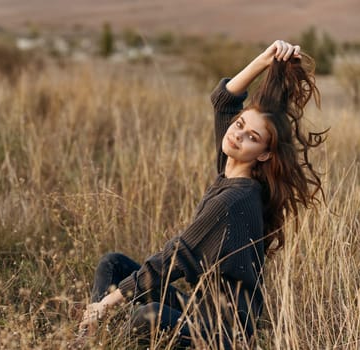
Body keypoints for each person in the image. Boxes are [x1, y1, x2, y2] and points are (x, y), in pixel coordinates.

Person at [77, 40, 326, 348]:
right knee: (113, 264)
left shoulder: (233, 201)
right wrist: (264, 60)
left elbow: (169, 263)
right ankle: (86, 340)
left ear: (263, 155)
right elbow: (224, 100)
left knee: (147, 317)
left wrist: (105, 304)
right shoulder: (231, 166)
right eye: (239, 125)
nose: (237, 135)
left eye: (252, 137)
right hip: (199, 309)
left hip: (226, 333)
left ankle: (103, 333)